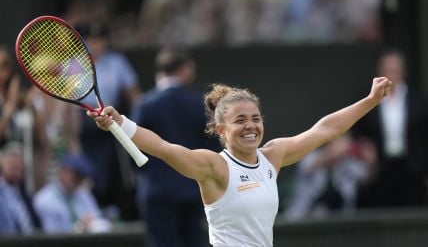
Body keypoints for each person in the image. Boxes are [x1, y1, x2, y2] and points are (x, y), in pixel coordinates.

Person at [88, 77, 391, 246]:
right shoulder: (214, 167)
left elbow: (324, 130)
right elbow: (164, 148)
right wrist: (121, 123)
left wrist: (370, 101)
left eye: (256, 119)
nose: (251, 126)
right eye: (240, 120)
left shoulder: (273, 156)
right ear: (221, 130)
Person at [131, 48, 221, 247]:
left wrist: (149, 174)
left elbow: (133, 150)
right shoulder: (198, 104)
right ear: (185, 69)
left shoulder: (144, 104)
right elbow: (213, 147)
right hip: (193, 189)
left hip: (157, 192)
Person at [75, 22, 141, 219]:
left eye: (100, 40)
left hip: (110, 120)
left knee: (116, 171)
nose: (96, 44)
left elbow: (134, 95)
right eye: (91, 40)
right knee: (90, 174)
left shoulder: (117, 62)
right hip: (82, 125)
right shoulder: (73, 65)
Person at [353, 49, 428, 207]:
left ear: (403, 72)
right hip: (379, 169)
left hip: (412, 168)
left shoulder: (418, 101)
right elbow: (358, 133)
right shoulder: (368, 102)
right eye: (387, 70)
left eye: (395, 70)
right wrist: (365, 148)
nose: (391, 75)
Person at [285, 133, 376, 220]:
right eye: (339, 142)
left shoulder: (349, 164)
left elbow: (368, 178)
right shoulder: (311, 157)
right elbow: (311, 166)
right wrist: (333, 155)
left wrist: (370, 162)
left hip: (340, 220)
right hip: (303, 217)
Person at [33, 153, 111, 234]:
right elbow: (51, 235)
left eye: (82, 176)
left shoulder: (84, 195)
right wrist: (79, 227)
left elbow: (98, 219)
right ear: (62, 171)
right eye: (76, 175)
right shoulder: (44, 199)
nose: (79, 180)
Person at [0, 141, 40, 234]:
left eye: (18, 164)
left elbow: (35, 223)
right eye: (11, 163)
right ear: (2, 166)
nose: (16, 167)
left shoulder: (26, 194)